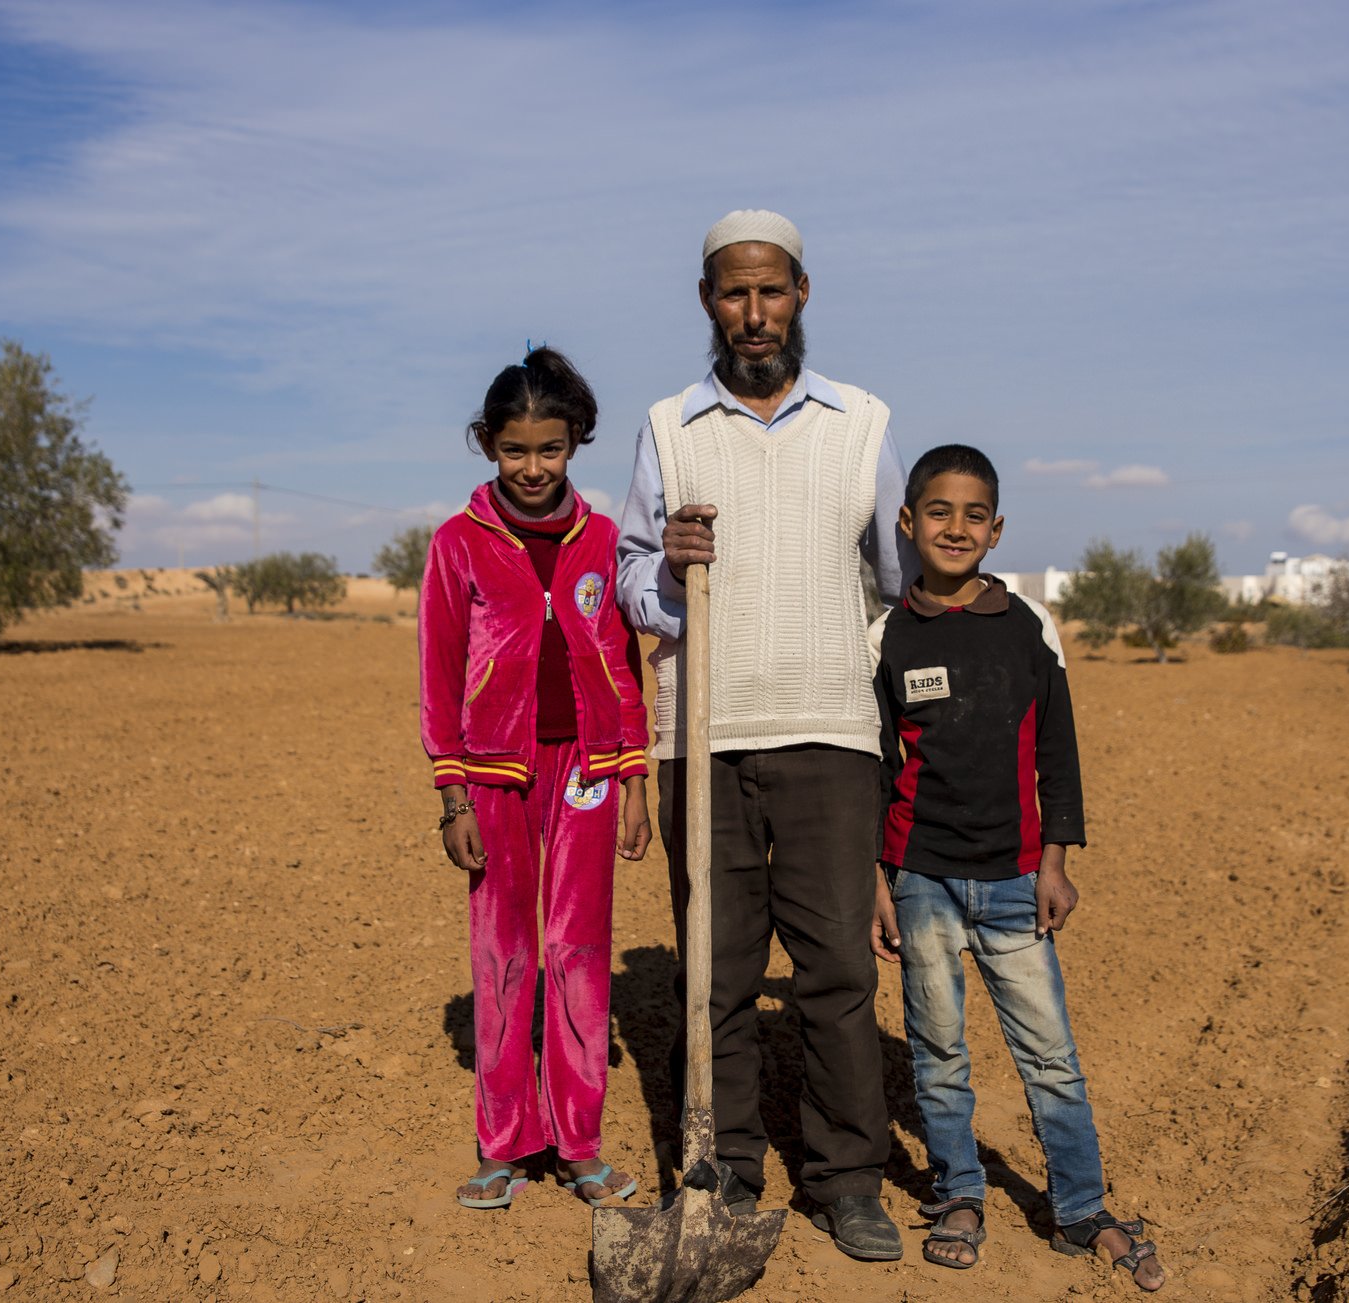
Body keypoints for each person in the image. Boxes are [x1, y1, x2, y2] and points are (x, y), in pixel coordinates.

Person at [616, 209, 914, 1261]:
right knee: (716, 970)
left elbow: (892, 581)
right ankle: (723, 1173)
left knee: (835, 966)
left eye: (770, 291)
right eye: (732, 294)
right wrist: (663, 567)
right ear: (708, 301)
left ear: (800, 293)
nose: (752, 313)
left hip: (831, 731)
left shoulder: (863, 423)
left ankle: (847, 1181)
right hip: (705, 733)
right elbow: (629, 581)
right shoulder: (667, 428)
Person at [868, 445, 1166, 1289]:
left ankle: (1080, 1206)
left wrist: (1056, 861)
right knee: (938, 1051)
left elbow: (1060, 755)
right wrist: (876, 882)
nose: (954, 527)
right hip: (920, 875)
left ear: (996, 530)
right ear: (907, 521)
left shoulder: (1030, 626)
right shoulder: (885, 635)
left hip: (1013, 877)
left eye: (973, 515)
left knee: (1051, 1056)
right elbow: (876, 768)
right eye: (937, 511)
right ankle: (958, 1194)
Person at [420, 346, 654, 1211]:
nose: (531, 467)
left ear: (575, 444)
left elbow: (622, 666)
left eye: (549, 449)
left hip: (586, 772)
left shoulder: (602, 541)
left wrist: (633, 777)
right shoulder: (457, 546)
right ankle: (505, 1141)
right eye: (515, 450)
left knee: (580, 952)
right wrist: (452, 794)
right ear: (487, 445)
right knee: (505, 953)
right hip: (491, 775)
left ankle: (580, 1143)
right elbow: (440, 674)